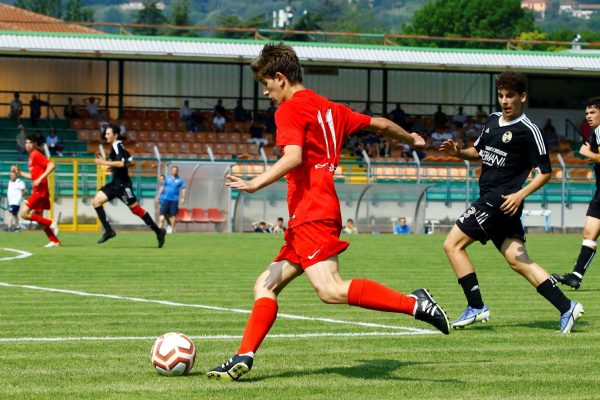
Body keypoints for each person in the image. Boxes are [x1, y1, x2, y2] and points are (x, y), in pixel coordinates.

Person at [207, 42, 449, 382]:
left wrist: (254, 183)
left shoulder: (289, 110)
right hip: (313, 211)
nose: (266, 92)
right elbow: (379, 124)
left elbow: (292, 158)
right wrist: (412, 140)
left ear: (280, 77)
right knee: (265, 284)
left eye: (266, 84)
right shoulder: (330, 108)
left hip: (312, 210)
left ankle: (414, 303)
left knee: (330, 289)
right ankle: (243, 355)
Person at [439, 70, 583, 334]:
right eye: (501, 95)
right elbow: (479, 152)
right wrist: (458, 153)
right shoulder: (493, 120)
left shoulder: (529, 131)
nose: (505, 101)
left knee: (452, 244)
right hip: (496, 202)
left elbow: (546, 173)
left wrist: (520, 194)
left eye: (511, 96)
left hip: (499, 200)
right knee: (519, 261)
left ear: (523, 97)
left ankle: (476, 306)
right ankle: (567, 306)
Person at [92, 123, 166, 247]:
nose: (106, 135)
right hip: (114, 184)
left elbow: (121, 164)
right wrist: (111, 168)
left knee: (136, 210)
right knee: (96, 202)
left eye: (108, 133)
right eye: (105, 133)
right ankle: (109, 231)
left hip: (123, 186)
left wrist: (103, 162)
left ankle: (159, 231)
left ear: (115, 135)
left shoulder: (118, 146)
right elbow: (128, 163)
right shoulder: (115, 147)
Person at [553, 97, 600, 289]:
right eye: (587, 113)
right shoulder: (596, 132)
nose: (588, 116)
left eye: (592, 112)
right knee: (589, 232)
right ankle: (576, 276)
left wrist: (589, 154)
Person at [10, 135, 60, 247]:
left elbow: (52, 166)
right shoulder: (31, 157)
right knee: (39, 219)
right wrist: (20, 172)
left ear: (34, 144)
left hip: (39, 191)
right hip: (39, 191)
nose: (27, 145)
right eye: (26, 143)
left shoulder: (36, 155)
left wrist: (40, 179)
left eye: (30, 143)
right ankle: (55, 241)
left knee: (23, 213)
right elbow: (33, 176)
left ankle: (51, 222)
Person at [156, 166, 186, 234]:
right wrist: (159, 194)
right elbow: (163, 186)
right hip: (166, 199)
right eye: (173, 170)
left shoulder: (180, 180)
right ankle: (159, 229)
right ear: (171, 171)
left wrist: (183, 198)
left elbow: (183, 188)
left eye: (175, 170)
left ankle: (172, 229)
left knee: (173, 215)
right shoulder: (167, 179)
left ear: (177, 171)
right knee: (163, 214)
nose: (174, 171)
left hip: (174, 200)